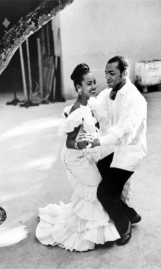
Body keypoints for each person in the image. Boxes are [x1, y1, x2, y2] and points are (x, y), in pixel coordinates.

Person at [35, 63, 121, 252]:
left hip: (85, 153)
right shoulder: (78, 110)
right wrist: (82, 144)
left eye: (94, 82)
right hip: (73, 157)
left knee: (100, 186)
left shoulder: (90, 103)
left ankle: (95, 227)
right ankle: (85, 232)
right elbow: (69, 143)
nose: (93, 86)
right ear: (78, 87)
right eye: (88, 84)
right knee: (96, 188)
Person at [81, 56, 147, 246]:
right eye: (106, 73)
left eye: (112, 73)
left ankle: (124, 225)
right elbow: (97, 106)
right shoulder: (110, 92)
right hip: (117, 149)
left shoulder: (135, 100)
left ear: (124, 73)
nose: (107, 77)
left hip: (131, 152)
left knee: (104, 193)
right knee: (100, 167)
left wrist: (96, 141)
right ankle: (129, 213)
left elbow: (122, 134)